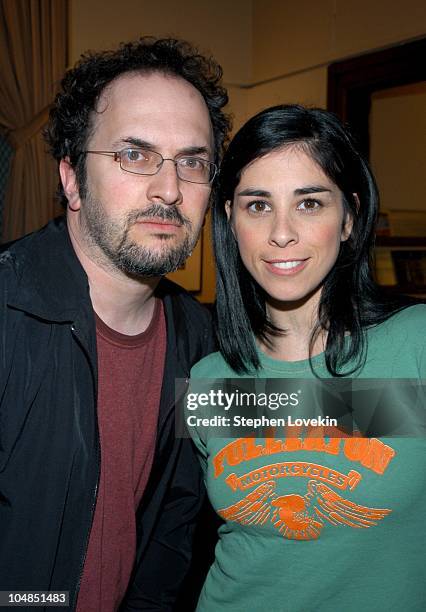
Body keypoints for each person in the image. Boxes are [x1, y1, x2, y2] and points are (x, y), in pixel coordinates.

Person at [0, 37, 230, 611]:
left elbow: (314, 415)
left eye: (193, 162)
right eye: (134, 155)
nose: (170, 189)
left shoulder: (197, 337)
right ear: (72, 179)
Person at [188, 104, 426, 611]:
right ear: (230, 220)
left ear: (349, 217)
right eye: (257, 205)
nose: (281, 232)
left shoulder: (415, 345)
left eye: (310, 203)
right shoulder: (210, 380)